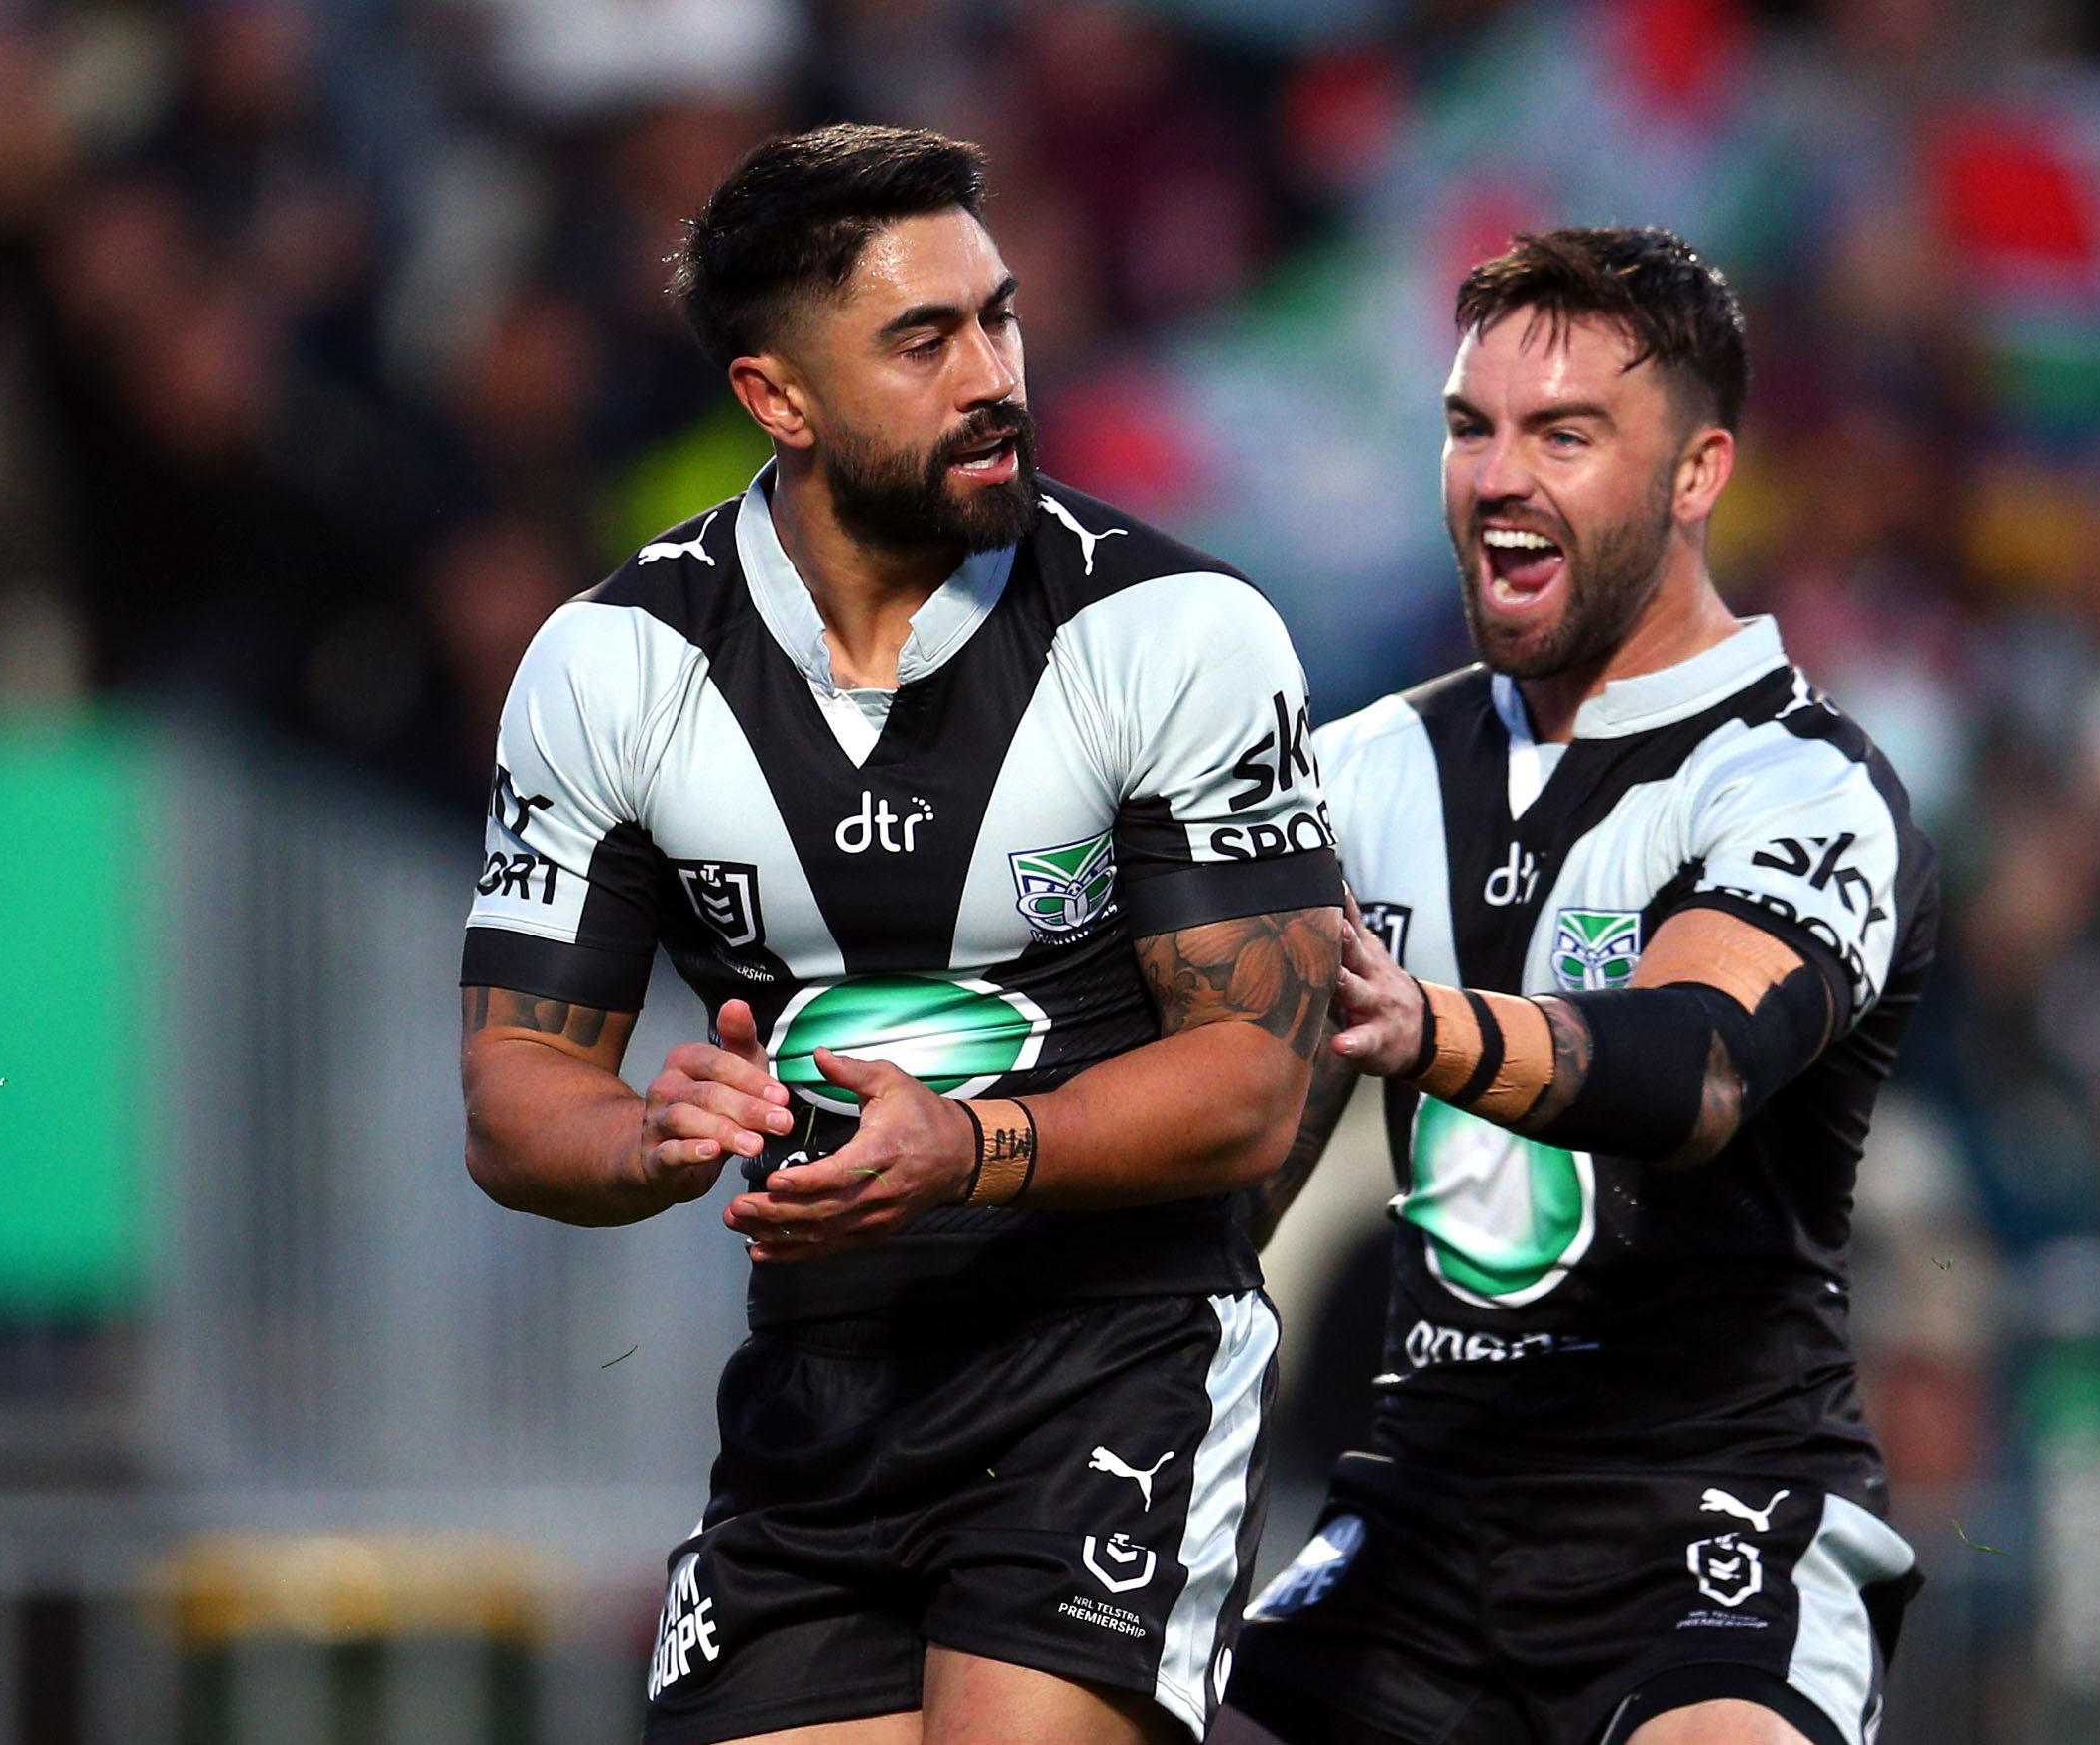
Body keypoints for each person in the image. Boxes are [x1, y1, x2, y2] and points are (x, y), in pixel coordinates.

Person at [456, 124, 1342, 1745]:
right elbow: (514, 1091)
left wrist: (983, 1150)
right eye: (923, 341)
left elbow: (1253, 1087)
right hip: (819, 1391)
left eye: (998, 317)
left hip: (1113, 1358)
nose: (992, 372)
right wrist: (642, 1133)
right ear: (776, 400)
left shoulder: (1175, 632)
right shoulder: (606, 671)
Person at [1217, 229, 1939, 1745]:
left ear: (1696, 474)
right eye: (1468, 427)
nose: (1497, 478)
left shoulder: (1795, 786)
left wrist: (1427, 1025)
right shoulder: (1352, 774)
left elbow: (1696, 1070)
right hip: (1414, 1514)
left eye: (1564, 435)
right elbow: (1226, 1177)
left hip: (1710, 1514)